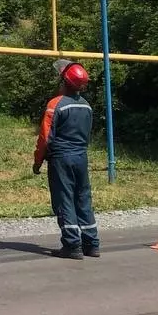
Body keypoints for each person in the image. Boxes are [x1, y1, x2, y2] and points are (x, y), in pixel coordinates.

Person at [33, 59, 100, 259]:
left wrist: (38, 161)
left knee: (65, 200)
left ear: (64, 81)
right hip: (81, 157)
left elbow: (45, 136)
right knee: (83, 198)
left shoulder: (56, 104)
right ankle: (92, 244)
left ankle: (72, 245)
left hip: (61, 158)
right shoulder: (86, 106)